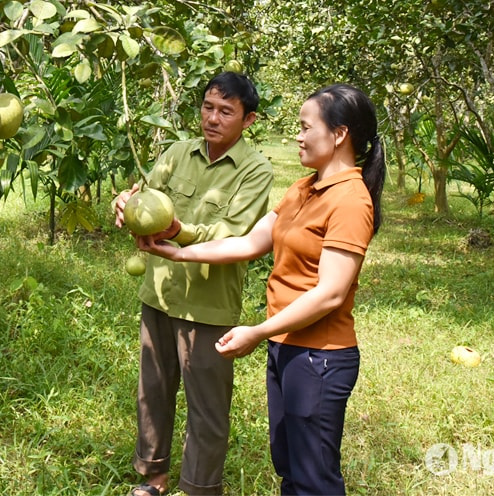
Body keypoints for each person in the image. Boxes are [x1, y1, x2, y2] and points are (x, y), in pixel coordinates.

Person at [142, 83, 386, 496]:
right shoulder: (304, 189)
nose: (298, 136)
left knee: (314, 477)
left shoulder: (350, 200)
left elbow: (330, 293)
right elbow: (248, 243)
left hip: (319, 358)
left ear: (339, 134)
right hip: (288, 347)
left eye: (307, 128)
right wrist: (177, 251)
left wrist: (258, 331)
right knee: (290, 465)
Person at [114, 72, 274, 496]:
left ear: (248, 120)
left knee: (207, 406)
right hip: (159, 293)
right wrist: (127, 204)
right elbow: (147, 196)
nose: (213, 118)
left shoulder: (255, 171)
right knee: (153, 390)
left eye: (226, 111)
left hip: (208, 305)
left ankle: (200, 489)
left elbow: (235, 233)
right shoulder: (176, 152)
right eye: (208, 107)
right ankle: (154, 478)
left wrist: (178, 229)